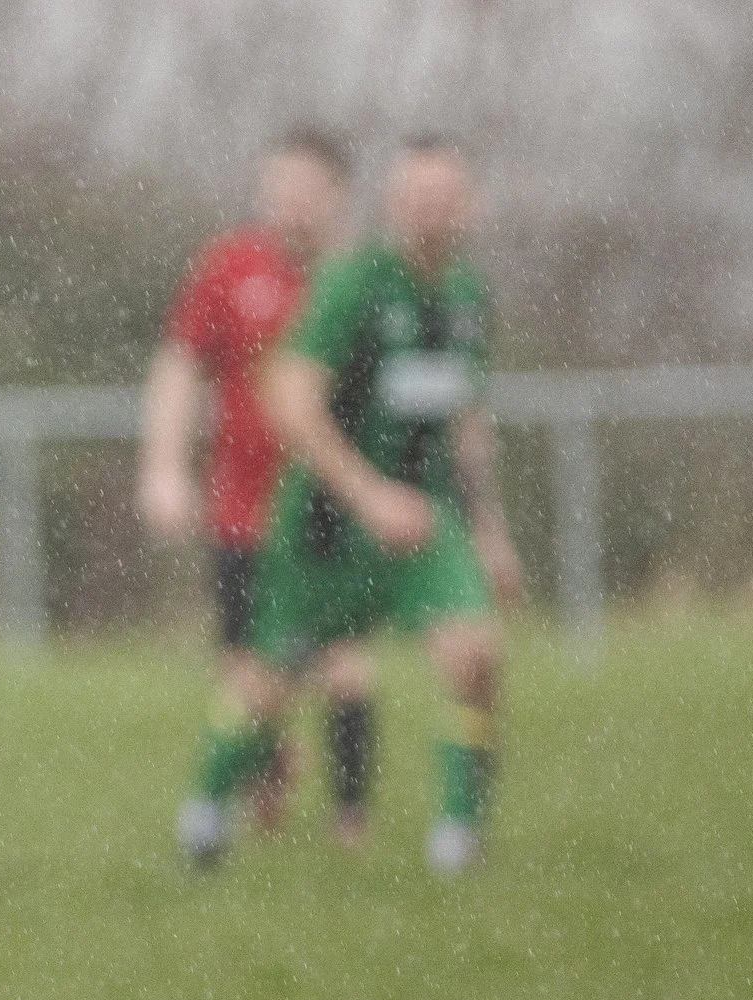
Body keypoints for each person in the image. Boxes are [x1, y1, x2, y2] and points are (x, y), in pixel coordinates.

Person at [178, 137, 524, 874]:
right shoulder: (353, 285)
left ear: (470, 207)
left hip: (426, 522)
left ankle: (458, 836)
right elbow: (289, 399)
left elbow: (465, 424)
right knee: (268, 684)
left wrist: (492, 532)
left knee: (476, 654)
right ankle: (208, 806)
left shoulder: (468, 298)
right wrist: (368, 495)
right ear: (393, 205)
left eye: (445, 200)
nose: (430, 215)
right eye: (416, 200)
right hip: (326, 527)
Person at [140, 129, 376, 845]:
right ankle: (264, 785)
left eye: (305, 190)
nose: (288, 205)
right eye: (277, 188)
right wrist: (163, 468)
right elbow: (179, 366)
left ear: (336, 196)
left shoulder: (360, 282)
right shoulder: (229, 267)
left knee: (345, 667)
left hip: (330, 513)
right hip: (244, 513)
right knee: (249, 677)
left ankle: (350, 827)